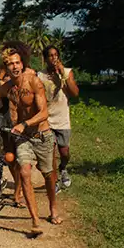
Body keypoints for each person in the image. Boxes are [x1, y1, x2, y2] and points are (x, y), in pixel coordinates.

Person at [0, 41, 61, 230]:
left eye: (17, 63)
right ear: (6, 67)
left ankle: (53, 208)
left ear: (22, 64)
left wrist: (24, 124)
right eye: (10, 64)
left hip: (41, 135)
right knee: (24, 172)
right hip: (23, 137)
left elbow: (43, 113)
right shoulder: (8, 86)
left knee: (49, 176)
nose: (14, 67)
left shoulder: (33, 81)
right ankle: (35, 221)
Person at [38, 46, 79, 193]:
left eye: (55, 55)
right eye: (50, 55)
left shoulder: (67, 72)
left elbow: (74, 93)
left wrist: (62, 77)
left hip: (62, 119)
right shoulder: (40, 76)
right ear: (46, 58)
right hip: (46, 119)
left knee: (64, 152)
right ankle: (54, 181)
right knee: (51, 151)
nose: (53, 58)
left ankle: (63, 168)